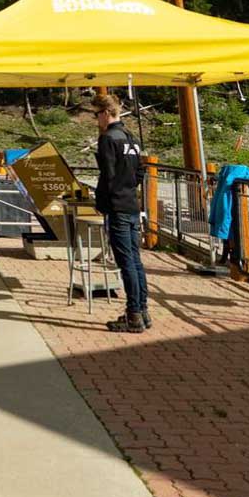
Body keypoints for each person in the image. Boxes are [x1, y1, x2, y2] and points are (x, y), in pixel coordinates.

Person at [92, 93, 150, 333]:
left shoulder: (108, 138)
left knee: (125, 261)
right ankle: (142, 310)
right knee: (135, 260)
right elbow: (140, 171)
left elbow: (108, 174)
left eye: (96, 115)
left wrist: (102, 200)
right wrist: (129, 189)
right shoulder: (131, 138)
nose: (96, 120)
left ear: (106, 113)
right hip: (131, 205)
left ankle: (133, 313)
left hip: (116, 207)